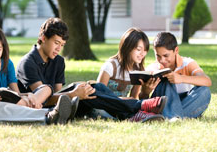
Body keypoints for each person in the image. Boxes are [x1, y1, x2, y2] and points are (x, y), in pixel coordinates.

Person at [17, 18, 168, 122]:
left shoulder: (58, 61)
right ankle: (139, 108)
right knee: (89, 91)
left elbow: (57, 93)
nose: (59, 48)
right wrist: (74, 94)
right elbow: (43, 100)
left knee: (94, 87)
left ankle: (135, 111)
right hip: (45, 109)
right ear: (43, 38)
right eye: (56, 43)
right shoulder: (28, 63)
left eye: (62, 45)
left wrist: (75, 93)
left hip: (63, 104)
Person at [139, 32, 212, 119]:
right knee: (166, 79)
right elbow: (141, 101)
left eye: (166, 55)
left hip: (185, 101)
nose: (162, 60)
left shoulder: (187, 63)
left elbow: (207, 81)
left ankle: (170, 116)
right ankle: (175, 116)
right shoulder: (152, 68)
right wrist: (145, 91)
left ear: (176, 50)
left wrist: (181, 78)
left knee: (204, 90)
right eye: (158, 56)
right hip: (162, 103)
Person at [0, 27, 46, 108]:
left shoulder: (8, 64)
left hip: (5, 103)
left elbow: (16, 93)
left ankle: (35, 110)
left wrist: (28, 94)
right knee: (22, 104)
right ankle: (36, 111)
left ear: (3, 49)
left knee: (45, 89)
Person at [97, 27, 149, 99]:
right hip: (104, 106)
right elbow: (99, 94)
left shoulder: (139, 70)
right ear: (128, 47)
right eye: (139, 49)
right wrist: (122, 100)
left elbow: (134, 97)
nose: (143, 54)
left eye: (145, 50)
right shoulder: (110, 66)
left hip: (122, 108)